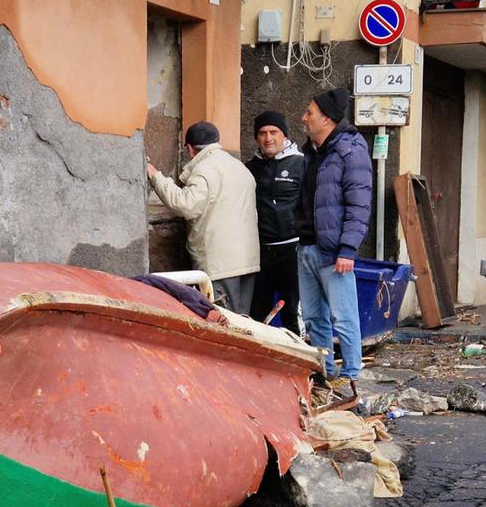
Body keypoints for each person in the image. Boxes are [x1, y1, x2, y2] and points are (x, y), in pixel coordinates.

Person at [296, 88, 371, 392]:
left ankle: (351, 377)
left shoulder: (350, 151)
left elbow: (359, 204)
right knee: (315, 318)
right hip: (307, 246)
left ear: (326, 118)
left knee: (344, 318)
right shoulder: (312, 152)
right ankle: (326, 375)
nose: (304, 117)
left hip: (334, 252)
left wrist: (348, 249)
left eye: (309, 112)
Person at [147, 120, 260, 314]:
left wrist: (155, 176)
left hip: (220, 263)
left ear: (190, 149)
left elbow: (185, 205)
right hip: (247, 260)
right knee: (243, 320)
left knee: (222, 319)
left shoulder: (204, 169)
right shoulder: (240, 167)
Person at [246, 112, 307, 329]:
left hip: (292, 250)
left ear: (284, 136)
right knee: (257, 311)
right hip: (260, 252)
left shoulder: (301, 163)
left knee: (293, 309)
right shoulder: (251, 167)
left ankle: (301, 357)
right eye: (262, 133)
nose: (268, 138)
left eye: (274, 132)